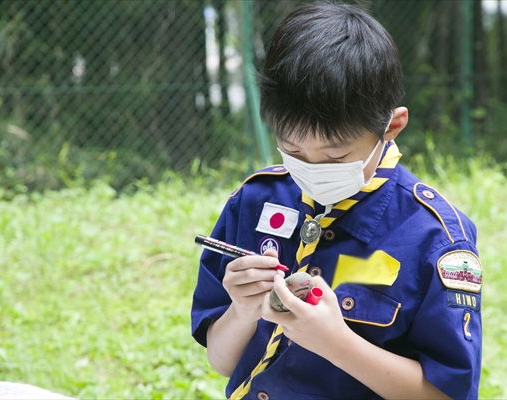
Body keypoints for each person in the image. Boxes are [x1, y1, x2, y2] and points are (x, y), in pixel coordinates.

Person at [191, 2, 482, 399]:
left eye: (335, 157)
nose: (311, 168)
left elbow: (446, 393)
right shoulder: (255, 202)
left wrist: (334, 342)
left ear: (391, 126)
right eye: (291, 149)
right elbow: (222, 361)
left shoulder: (435, 237)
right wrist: (241, 311)